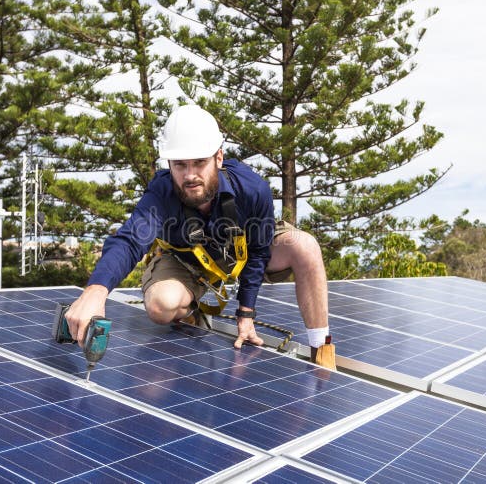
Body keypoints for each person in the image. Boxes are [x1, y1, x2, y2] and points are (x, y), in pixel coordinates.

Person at [65, 104, 335, 368]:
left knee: (304, 246)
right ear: (169, 163)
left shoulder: (252, 190)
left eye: (199, 163)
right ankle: (193, 311)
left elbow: (260, 251)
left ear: (218, 157)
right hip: (186, 261)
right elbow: (129, 240)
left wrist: (246, 313)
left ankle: (321, 350)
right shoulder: (161, 194)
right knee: (161, 306)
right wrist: (95, 292)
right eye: (180, 165)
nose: (190, 175)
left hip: (239, 251)